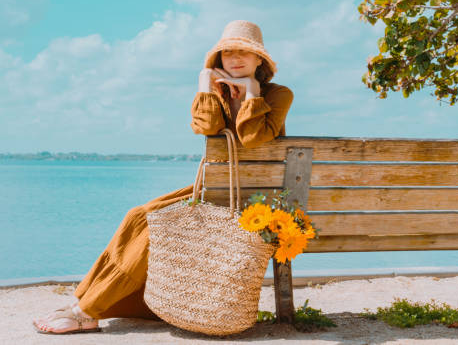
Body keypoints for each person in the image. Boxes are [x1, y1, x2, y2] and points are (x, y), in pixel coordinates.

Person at [32, 20, 294, 334]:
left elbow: (252, 137)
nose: (235, 59)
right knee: (138, 215)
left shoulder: (279, 95)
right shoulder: (217, 92)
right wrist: (205, 85)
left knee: (154, 226)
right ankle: (84, 299)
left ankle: (87, 310)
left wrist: (251, 92)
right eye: (227, 54)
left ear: (259, 60)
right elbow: (207, 126)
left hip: (256, 195)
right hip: (219, 189)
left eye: (245, 53)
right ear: (218, 61)